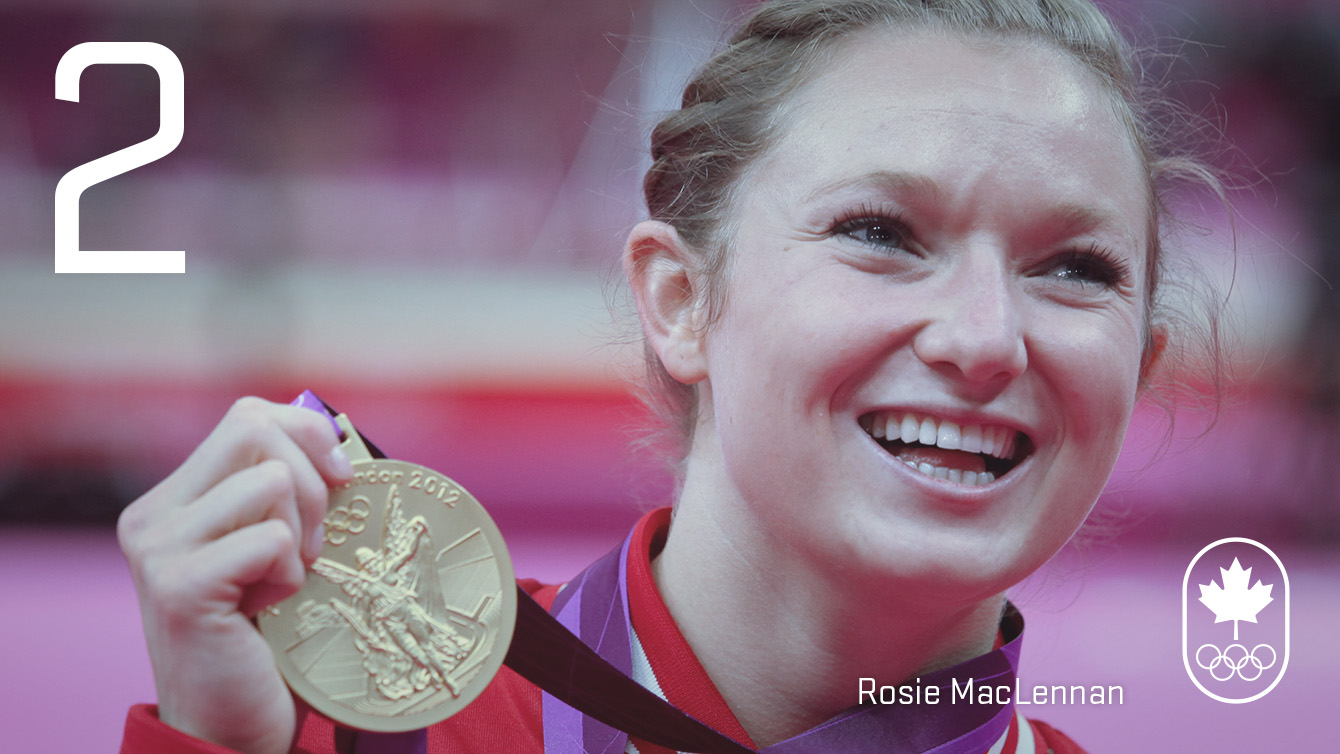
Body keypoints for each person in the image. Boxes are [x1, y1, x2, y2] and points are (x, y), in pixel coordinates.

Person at [116, 0, 1221, 752]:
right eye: (881, 232)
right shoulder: (363, 726)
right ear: (679, 301)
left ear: (1136, 367)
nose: (985, 338)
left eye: (1073, 269)